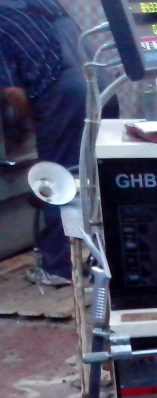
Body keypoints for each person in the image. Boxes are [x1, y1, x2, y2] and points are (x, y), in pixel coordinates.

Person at [0, 0, 86, 287]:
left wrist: (24, 129)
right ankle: (98, 260)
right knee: (89, 178)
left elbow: (13, 93)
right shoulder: (42, 2)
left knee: (57, 180)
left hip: (64, 95)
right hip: (97, 82)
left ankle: (59, 267)